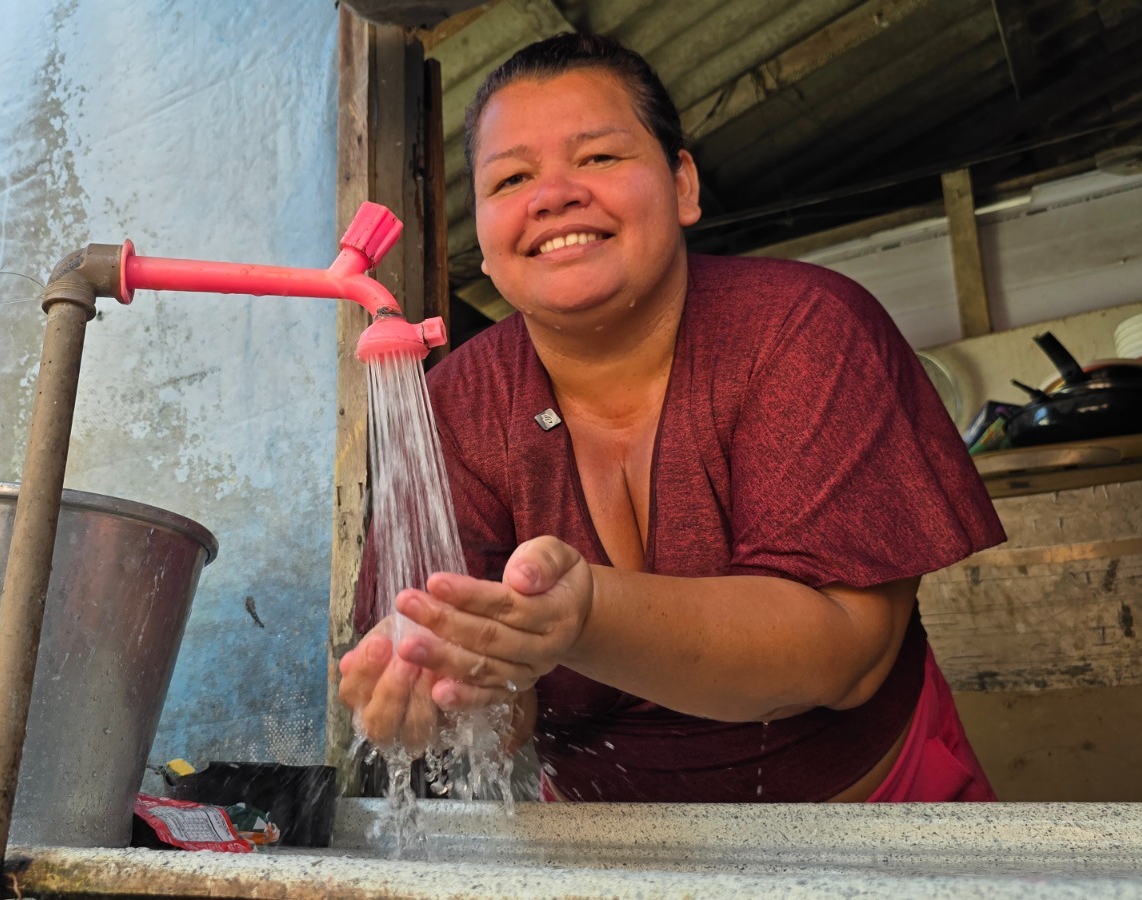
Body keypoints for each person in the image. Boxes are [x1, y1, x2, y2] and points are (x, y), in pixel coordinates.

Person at [338, 33, 1005, 803]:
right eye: (512, 177)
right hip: (605, 852)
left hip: (880, 815)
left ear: (683, 184)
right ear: (483, 244)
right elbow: (504, 712)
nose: (553, 194)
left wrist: (585, 616)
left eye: (599, 158)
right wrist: (446, 677)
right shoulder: (455, 408)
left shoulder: (805, 329)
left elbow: (848, 656)